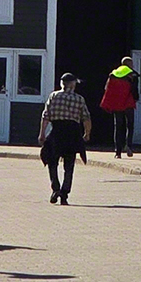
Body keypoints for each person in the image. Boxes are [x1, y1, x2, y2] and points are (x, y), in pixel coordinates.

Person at [38, 73, 91, 205]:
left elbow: (45, 117)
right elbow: (86, 118)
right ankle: (64, 194)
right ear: (72, 84)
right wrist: (87, 133)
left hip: (56, 132)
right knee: (69, 165)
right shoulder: (79, 99)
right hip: (72, 134)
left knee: (52, 162)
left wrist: (42, 133)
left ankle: (55, 188)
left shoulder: (53, 96)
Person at [100, 61, 140, 157]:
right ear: (129, 64)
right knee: (130, 126)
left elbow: (107, 88)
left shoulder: (113, 74)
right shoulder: (132, 74)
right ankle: (129, 146)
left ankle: (118, 151)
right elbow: (134, 90)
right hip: (128, 103)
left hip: (117, 103)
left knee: (118, 126)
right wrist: (136, 98)